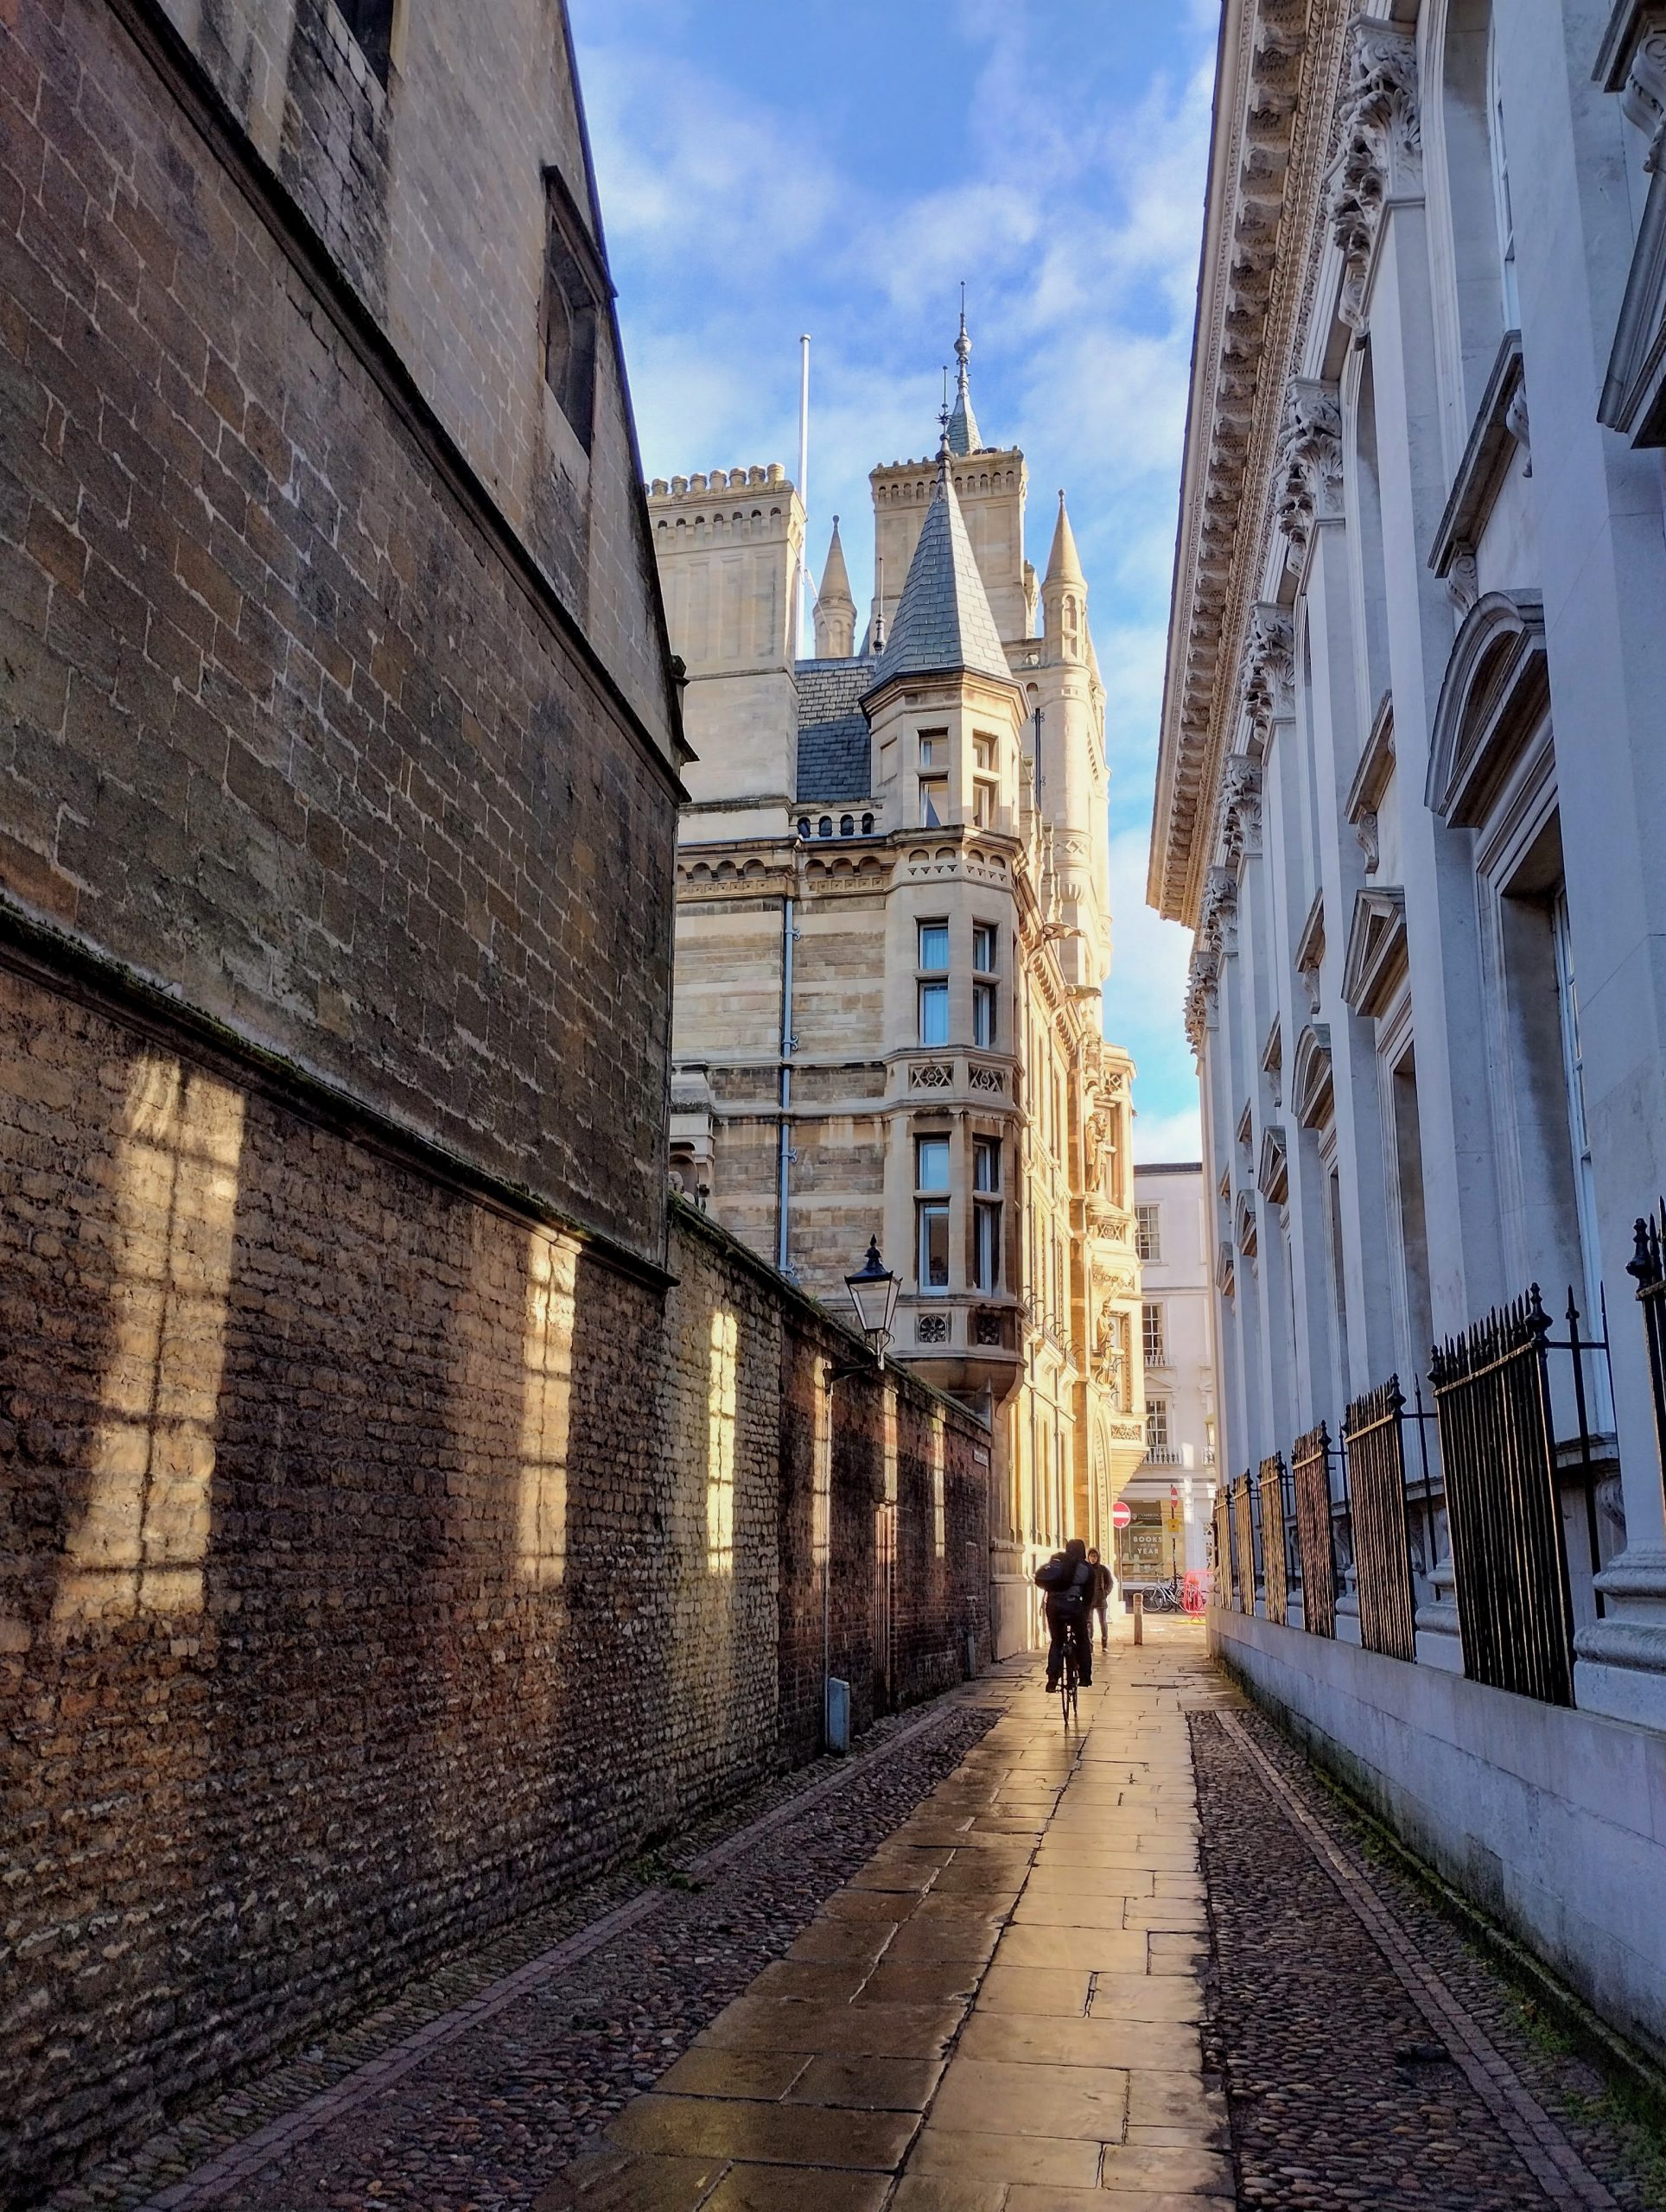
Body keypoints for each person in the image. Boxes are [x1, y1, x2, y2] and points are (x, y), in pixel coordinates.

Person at [1034, 1536, 1095, 1692]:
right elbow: (1088, 1598)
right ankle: (1085, 1676)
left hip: (1054, 1605)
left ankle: (1053, 1678)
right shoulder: (1086, 1568)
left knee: (1057, 1641)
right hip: (1074, 1606)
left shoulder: (1057, 1561)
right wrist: (1085, 1615)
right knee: (1082, 1640)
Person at [1087, 1546, 1113, 1652]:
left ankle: (1104, 1643)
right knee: (1089, 1623)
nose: (1093, 1559)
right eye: (1091, 1556)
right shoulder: (1086, 1568)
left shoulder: (1103, 1569)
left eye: (1095, 1556)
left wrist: (1105, 1593)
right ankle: (1090, 1645)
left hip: (1101, 1599)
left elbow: (1110, 1583)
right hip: (1089, 1599)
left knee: (1102, 1622)